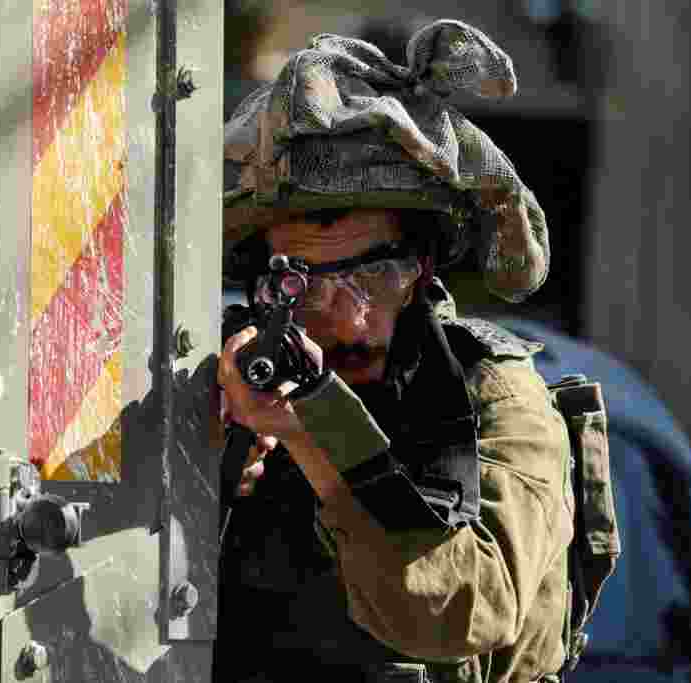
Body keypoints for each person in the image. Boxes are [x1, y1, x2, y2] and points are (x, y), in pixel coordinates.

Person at [214, 19, 575, 683]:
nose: (346, 317)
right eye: (307, 284)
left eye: (373, 275)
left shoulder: (493, 395)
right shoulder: (229, 382)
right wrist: (205, 486)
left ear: (422, 266)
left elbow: (463, 611)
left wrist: (315, 438)